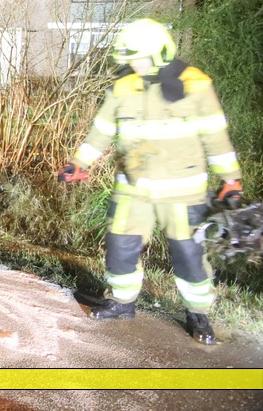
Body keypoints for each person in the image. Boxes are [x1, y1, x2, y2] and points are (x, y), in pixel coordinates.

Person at [58, 18, 242, 345]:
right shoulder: (122, 88)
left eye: (140, 58)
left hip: (182, 190)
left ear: (161, 52)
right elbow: (101, 132)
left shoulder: (196, 85)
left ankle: (198, 314)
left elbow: (216, 136)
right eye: (131, 59)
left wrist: (231, 179)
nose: (135, 65)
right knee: (120, 245)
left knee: (188, 253)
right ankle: (121, 303)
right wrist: (78, 163)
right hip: (133, 189)